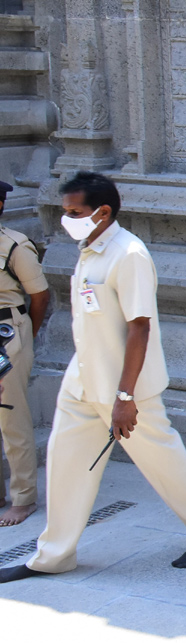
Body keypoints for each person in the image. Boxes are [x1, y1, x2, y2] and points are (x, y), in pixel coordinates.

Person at [1, 173, 186, 584]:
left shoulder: (130, 255)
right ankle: (53, 555)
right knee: (65, 463)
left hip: (127, 388)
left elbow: (139, 327)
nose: (66, 219)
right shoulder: (89, 249)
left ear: (102, 212)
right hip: (83, 379)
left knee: (163, 460)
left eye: (74, 212)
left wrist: (125, 396)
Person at [0, 180, 50, 528]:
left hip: (6, 336)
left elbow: (40, 297)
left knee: (10, 419)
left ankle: (23, 498)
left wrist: (26, 336)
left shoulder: (15, 247)